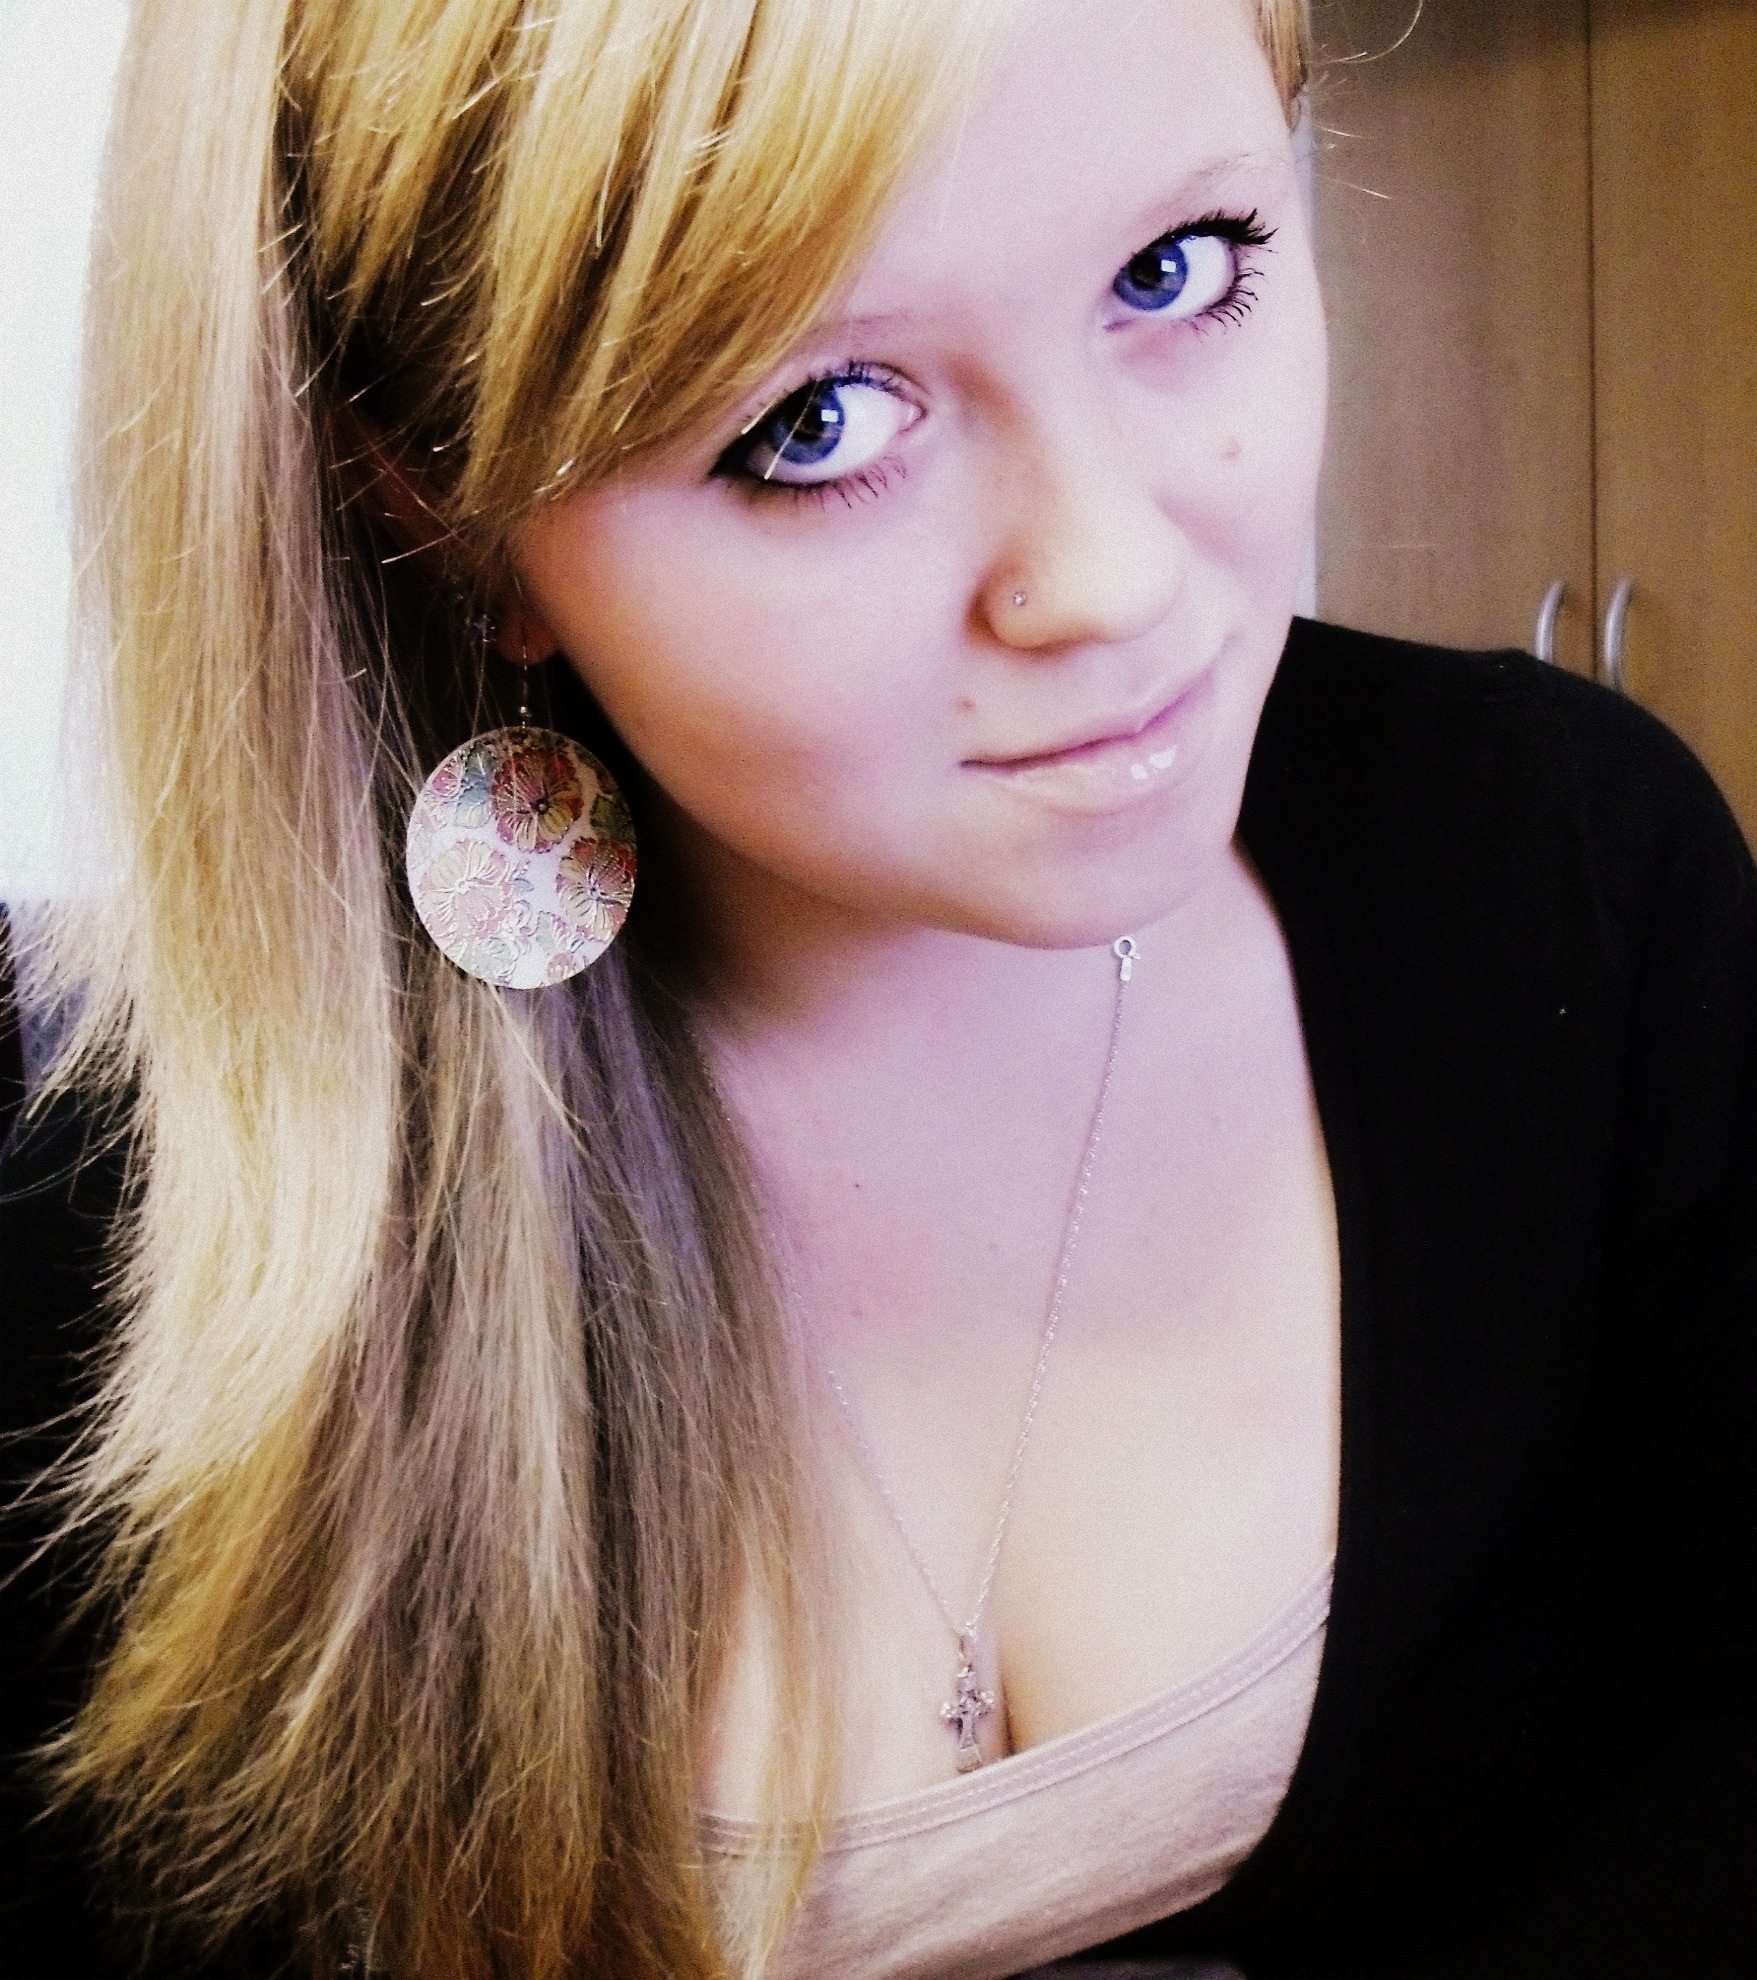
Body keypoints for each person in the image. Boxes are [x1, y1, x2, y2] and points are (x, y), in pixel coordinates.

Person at [1, 0, 1752, 1975]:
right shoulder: (125, 1269)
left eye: (1177, 271)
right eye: (817, 423)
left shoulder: (1569, 880)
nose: (1109, 578)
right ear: (442, 509)